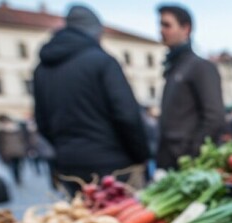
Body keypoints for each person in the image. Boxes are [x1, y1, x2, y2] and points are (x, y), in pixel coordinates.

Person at [33, 5, 149, 195]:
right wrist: (141, 155)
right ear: (94, 31)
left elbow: (42, 122)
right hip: (113, 165)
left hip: (69, 165)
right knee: (121, 220)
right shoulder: (103, 61)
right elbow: (127, 115)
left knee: (84, 219)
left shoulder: (41, 70)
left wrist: (65, 149)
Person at [156, 4, 224, 169]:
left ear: (186, 28)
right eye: (160, 25)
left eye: (167, 25)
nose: (161, 30)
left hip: (188, 163)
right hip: (171, 160)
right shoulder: (174, 69)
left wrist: (191, 155)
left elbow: (214, 117)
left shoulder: (200, 67)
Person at [0, 115, 28, 186]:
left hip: (18, 151)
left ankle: (18, 177)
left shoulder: (16, 129)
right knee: (14, 167)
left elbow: (23, 140)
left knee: (19, 166)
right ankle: (17, 178)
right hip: (9, 153)